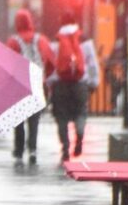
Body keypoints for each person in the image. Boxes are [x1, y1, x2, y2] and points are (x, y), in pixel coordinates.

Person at [48, 11, 100, 162]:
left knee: (61, 117)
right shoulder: (84, 40)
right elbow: (92, 64)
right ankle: (80, 136)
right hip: (80, 84)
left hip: (60, 85)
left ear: (61, 22)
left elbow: (51, 66)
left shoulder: (56, 40)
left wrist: (50, 83)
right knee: (81, 113)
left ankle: (65, 148)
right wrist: (93, 82)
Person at [6, 9, 55, 166]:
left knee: (19, 119)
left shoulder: (14, 41)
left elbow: (8, 63)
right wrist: (44, 76)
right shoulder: (41, 40)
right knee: (34, 120)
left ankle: (19, 149)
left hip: (19, 86)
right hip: (37, 84)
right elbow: (51, 61)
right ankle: (32, 150)